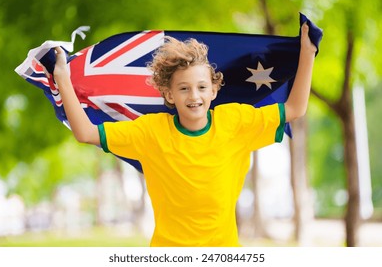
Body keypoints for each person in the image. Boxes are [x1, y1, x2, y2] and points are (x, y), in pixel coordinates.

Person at [52, 23, 317, 246]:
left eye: (202, 87)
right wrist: (63, 77)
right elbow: (86, 133)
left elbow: (295, 108)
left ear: (214, 90)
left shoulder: (235, 122)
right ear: (168, 94)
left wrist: (307, 52)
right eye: (184, 89)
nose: (194, 96)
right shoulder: (150, 132)